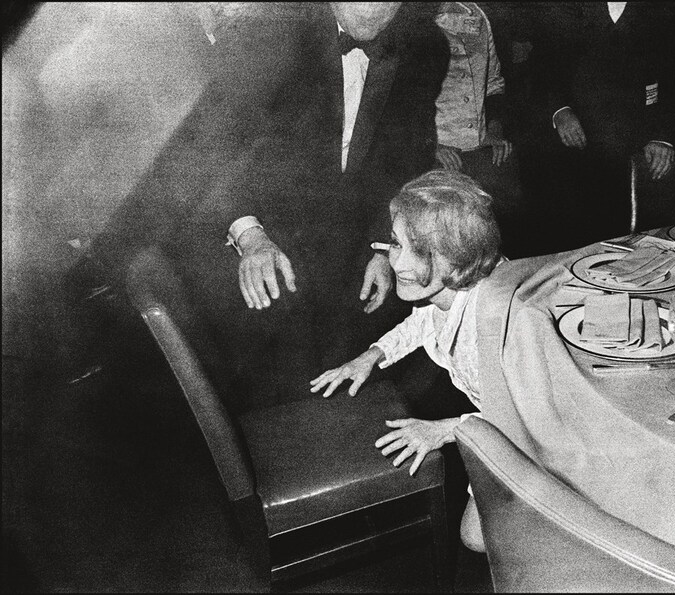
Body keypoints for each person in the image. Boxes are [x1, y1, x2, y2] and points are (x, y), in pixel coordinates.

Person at [88, 2, 451, 411]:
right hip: (253, 220)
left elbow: (404, 159)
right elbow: (211, 149)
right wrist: (250, 236)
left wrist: (384, 245)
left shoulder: (427, 47)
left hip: (350, 235)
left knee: (401, 344)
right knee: (273, 358)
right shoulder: (265, 35)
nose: (374, 10)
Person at [309, 169, 503, 553]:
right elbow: (423, 322)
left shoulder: (492, 322)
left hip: (533, 428)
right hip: (494, 414)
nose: (396, 265)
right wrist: (370, 356)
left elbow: (518, 415)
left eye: (420, 252)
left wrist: (443, 430)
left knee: (476, 540)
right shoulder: (449, 290)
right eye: (396, 244)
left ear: (462, 256)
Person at [542, 2, 675, 248]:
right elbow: (542, 66)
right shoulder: (562, 8)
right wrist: (559, 110)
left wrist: (662, 136)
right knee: (574, 241)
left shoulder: (666, 10)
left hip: (639, 150)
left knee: (635, 247)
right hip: (575, 145)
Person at [431, 1, 524, 255]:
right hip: (438, 157)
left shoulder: (479, 16)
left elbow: (494, 84)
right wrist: (431, 145)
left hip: (481, 150)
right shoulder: (414, 19)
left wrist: (494, 131)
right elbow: (403, 102)